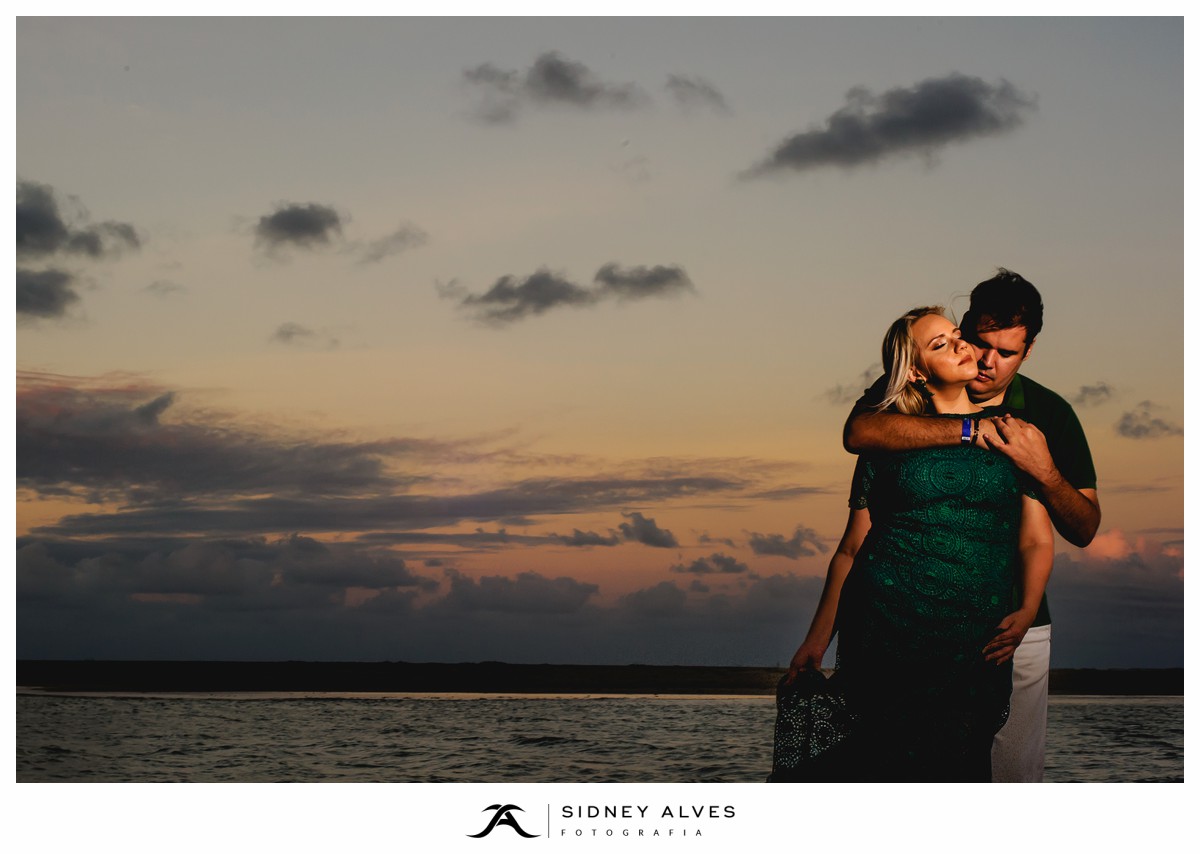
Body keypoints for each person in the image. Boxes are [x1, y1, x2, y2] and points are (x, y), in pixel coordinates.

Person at [842, 270, 1100, 782]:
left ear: (1028, 353)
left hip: (1011, 628)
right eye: (979, 343)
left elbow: (1085, 526)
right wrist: (972, 427)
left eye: (1006, 353)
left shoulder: (1049, 412)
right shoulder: (909, 392)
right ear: (962, 331)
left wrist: (1044, 470)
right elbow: (859, 431)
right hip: (910, 625)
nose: (987, 362)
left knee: (1008, 783)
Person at [778, 306, 1054, 782]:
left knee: (960, 761)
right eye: (940, 344)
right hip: (885, 628)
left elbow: (1035, 539)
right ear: (917, 371)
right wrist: (818, 637)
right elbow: (851, 547)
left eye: (956, 336)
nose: (962, 346)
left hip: (973, 638)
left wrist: (1028, 608)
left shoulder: (1015, 434)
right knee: (879, 764)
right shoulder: (887, 438)